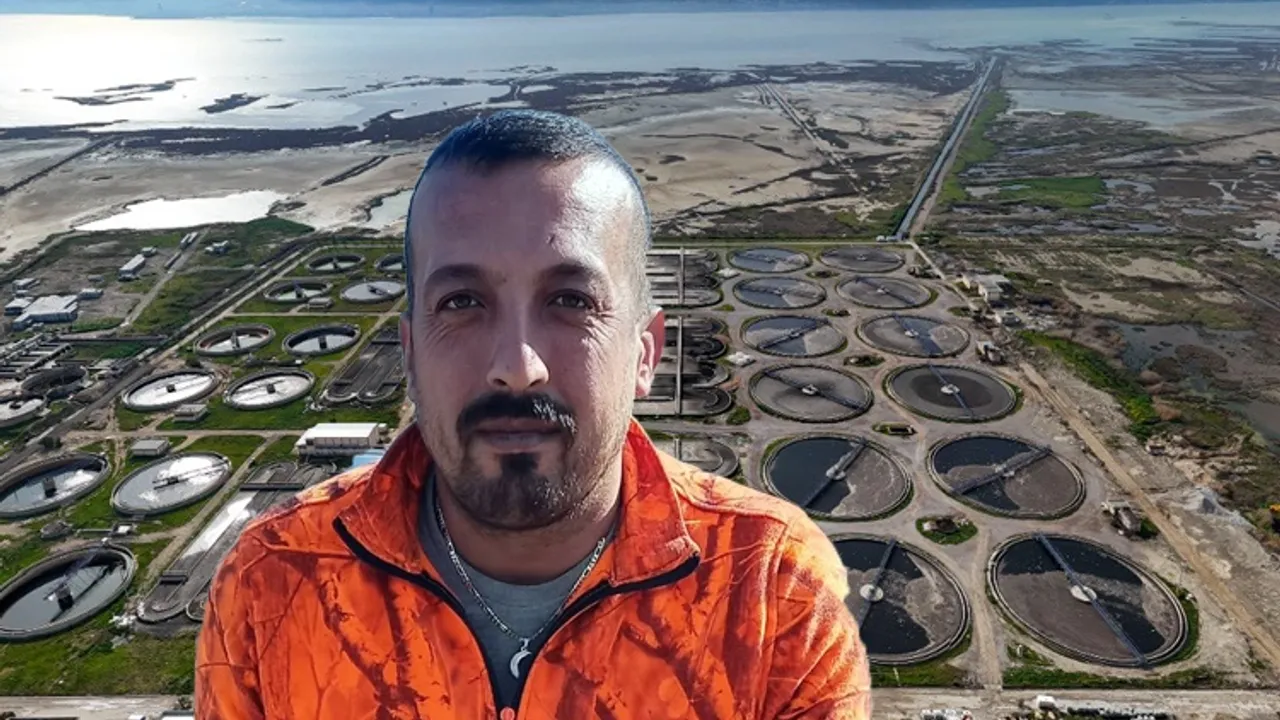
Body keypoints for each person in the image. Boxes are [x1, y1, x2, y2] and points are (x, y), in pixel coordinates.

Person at [195, 109, 871, 719]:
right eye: (462, 302)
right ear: (410, 353)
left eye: (570, 301)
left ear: (645, 353)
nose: (518, 367)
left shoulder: (771, 591)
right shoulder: (273, 582)